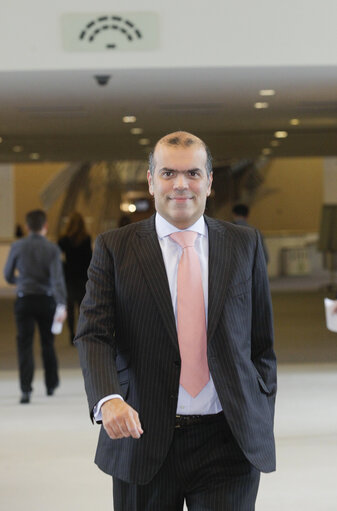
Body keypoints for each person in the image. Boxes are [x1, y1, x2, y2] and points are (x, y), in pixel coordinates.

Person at [75, 131, 277, 510]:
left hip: (228, 439)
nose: (181, 184)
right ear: (151, 181)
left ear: (210, 181)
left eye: (193, 173)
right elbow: (94, 335)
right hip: (143, 438)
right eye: (168, 173)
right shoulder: (115, 248)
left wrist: (259, 407)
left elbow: (261, 342)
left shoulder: (244, 245)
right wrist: (108, 398)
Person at [4, 209, 67, 404]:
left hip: (24, 299)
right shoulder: (52, 249)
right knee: (47, 343)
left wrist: (20, 280)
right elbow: (57, 280)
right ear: (45, 226)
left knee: (24, 344)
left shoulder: (17, 246)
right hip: (46, 299)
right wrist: (62, 303)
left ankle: (25, 389)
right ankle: (51, 384)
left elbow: (7, 275)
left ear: (27, 227)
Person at [58, 212, 92, 344]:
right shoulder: (86, 239)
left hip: (69, 277)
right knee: (82, 308)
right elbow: (89, 258)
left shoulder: (64, 239)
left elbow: (57, 257)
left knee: (70, 307)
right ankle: (81, 333)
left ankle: (71, 334)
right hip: (83, 277)